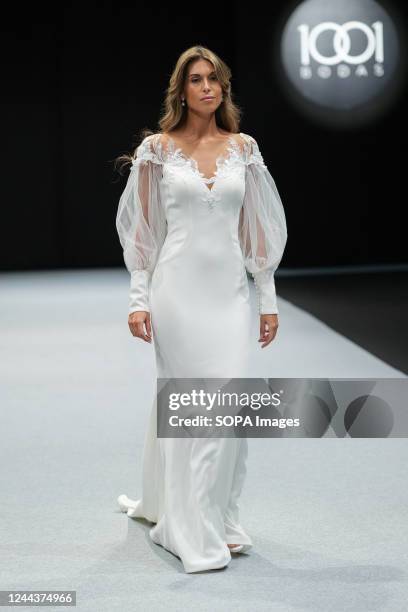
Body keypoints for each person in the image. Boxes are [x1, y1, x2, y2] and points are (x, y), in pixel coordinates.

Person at [115, 45, 288, 573]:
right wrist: (138, 300)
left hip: (231, 296)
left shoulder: (244, 148)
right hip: (177, 294)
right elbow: (142, 232)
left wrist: (267, 298)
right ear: (182, 90)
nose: (207, 87)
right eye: (196, 79)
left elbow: (258, 227)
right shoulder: (157, 152)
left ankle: (217, 516)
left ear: (223, 89)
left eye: (214, 79)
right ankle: (190, 528)